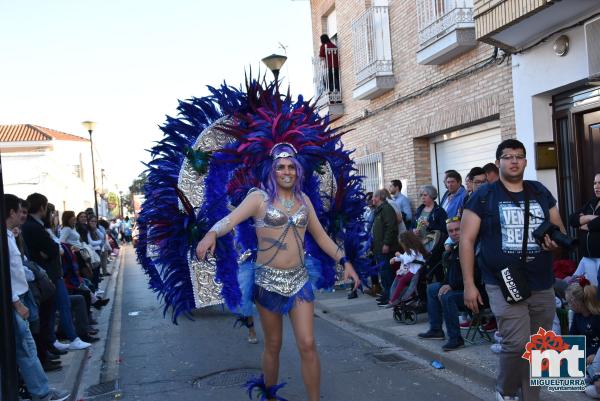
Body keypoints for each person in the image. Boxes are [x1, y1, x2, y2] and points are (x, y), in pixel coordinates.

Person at [195, 143, 360, 401]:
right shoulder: (258, 199)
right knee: (273, 345)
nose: (287, 171)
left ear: (298, 170)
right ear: (272, 171)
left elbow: (321, 236)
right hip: (266, 281)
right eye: (281, 167)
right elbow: (230, 220)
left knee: (307, 343)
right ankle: (270, 397)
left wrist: (345, 261)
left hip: (299, 280)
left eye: (291, 167)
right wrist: (211, 233)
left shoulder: (304, 200)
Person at [460, 139, 567, 401]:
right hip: (503, 280)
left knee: (538, 346)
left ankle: (530, 397)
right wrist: (469, 285)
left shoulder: (540, 192)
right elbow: (466, 239)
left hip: (540, 280)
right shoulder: (484, 196)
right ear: (498, 163)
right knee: (516, 344)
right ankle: (506, 391)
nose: (514, 161)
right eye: (508, 156)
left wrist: (555, 242)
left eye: (519, 156)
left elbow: (560, 230)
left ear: (526, 162)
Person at [6, 194, 71, 401]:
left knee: (26, 348)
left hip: (21, 298)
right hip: (15, 301)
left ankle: (31, 390)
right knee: (26, 349)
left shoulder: (10, 236)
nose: (22, 215)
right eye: (19, 211)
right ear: (11, 213)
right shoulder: (5, 240)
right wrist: (17, 303)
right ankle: (42, 394)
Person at [418, 217, 477, 351]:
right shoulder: (455, 248)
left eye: (457, 229)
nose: (454, 233)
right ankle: (436, 329)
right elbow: (450, 274)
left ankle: (456, 339)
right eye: (451, 231)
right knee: (432, 289)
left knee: (447, 297)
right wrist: (445, 284)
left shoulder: (471, 246)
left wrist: (451, 286)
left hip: (475, 292)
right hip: (458, 287)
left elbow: (475, 276)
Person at [371, 188, 401, 307]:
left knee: (387, 273)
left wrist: (386, 244)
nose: (372, 199)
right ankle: (386, 293)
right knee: (383, 273)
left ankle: (391, 296)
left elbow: (391, 228)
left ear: (379, 198)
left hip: (386, 247)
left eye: (374, 196)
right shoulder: (379, 210)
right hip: (378, 247)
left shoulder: (387, 209)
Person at [569, 173, 600, 287]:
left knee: (597, 292)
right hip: (588, 257)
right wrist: (589, 217)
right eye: (595, 183)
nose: (597, 186)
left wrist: (585, 224)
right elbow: (572, 219)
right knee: (588, 289)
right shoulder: (591, 203)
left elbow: (596, 224)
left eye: (599, 183)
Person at [387, 231, 428, 306]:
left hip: (415, 271)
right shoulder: (411, 249)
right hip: (411, 269)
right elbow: (404, 257)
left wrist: (399, 255)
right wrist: (395, 259)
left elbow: (408, 259)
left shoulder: (415, 249)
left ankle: (397, 298)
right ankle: (394, 297)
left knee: (402, 281)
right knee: (399, 278)